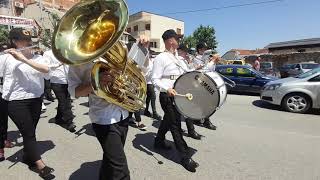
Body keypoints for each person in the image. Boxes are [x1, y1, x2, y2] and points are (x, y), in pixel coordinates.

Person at [68, 36, 150, 180]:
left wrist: (144, 49)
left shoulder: (119, 48)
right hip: (103, 118)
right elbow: (74, 91)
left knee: (110, 159)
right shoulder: (79, 58)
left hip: (124, 114)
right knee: (120, 169)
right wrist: (96, 83)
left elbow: (142, 70)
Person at [1, 28, 54, 178]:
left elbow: (46, 71)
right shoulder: (5, 58)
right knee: (28, 132)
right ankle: (39, 164)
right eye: (22, 40)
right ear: (14, 42)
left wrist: (23, 59)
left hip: (36, 99)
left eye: (28, 40)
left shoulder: (38, 58)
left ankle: (27, 156)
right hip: (16, 101)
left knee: (29, 131)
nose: (27, 42)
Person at [152, 29, 199, 172]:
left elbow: (186, 73)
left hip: (179, 94)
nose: (179, 41)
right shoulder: (161, 58)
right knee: (175, 125)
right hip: (168, 96)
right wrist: (167, 89)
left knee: (169, 120)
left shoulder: (178, 58)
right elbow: (155, 79)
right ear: (170, 41)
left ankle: (158, 141)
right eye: (177, 39)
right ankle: (185, 157)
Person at [43, 50, 76, 132]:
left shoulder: (66, 51)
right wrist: (58, 64)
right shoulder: (48, 53)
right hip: (56, 81)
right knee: (65, 101)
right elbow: (46, 66)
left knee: (64, 100)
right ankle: (69, 122)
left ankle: (58, 118)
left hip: (68, 80)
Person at [177, 44, 202, 140]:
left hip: (185, 86)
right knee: (186, 110)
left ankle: (185, 129)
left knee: (183, 110)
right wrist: (196, 68)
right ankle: (190, 131)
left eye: (186, 51)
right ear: (180, 51)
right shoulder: (179, 59)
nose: (186, 53)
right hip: (181, 87)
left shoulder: (184, 60)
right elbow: (187, 72)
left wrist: (191, 62)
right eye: (184, 51)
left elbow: (189, 69)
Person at [144, 53, 162, 120]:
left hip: (151, 82)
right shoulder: (147, 62)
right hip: (149, 82)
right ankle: (154, 113)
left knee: (148, 97)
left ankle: (146, 110)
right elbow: (147, 73)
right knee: (153, 97)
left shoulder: (152, 61)